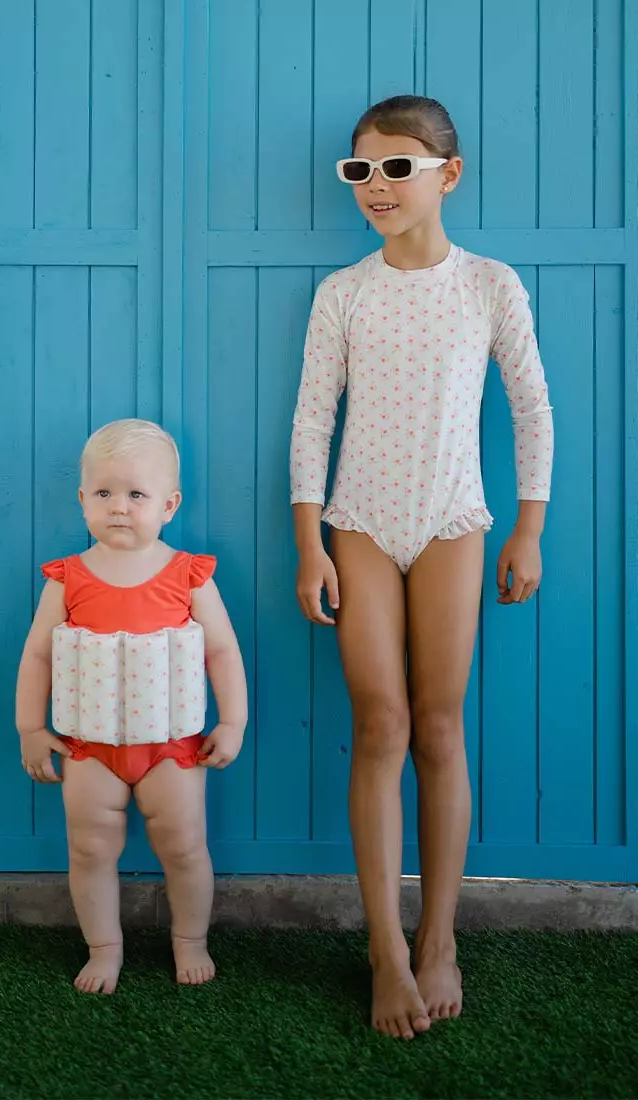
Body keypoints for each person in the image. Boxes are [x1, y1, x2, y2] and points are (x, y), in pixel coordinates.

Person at [290, 96, 553, 1039]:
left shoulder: (489, 285)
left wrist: (528, 529)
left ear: (449, 174)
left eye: (397, 167)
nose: (377, 186)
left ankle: (438, 938)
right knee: (382, 724)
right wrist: (310, 543)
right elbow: (313, 417)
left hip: (453, 522)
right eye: (359, 170)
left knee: (440, 727)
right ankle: (384, 949)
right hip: (358, 524)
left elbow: (531, 407)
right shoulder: (344, 292)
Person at [16, 418, 248, 994]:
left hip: (173, 746)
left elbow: (222, 650)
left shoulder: (189, 575)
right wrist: (29, 727)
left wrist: (233, 720)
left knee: (184, 845)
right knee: (89, 847)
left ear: (169, 505)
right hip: (89, 746)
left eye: (136, 494)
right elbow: (38, 656)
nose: (119, 506)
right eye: (104, 493)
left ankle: (190, 940)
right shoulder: (66, 579)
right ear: (82, 500)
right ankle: (104, 948)